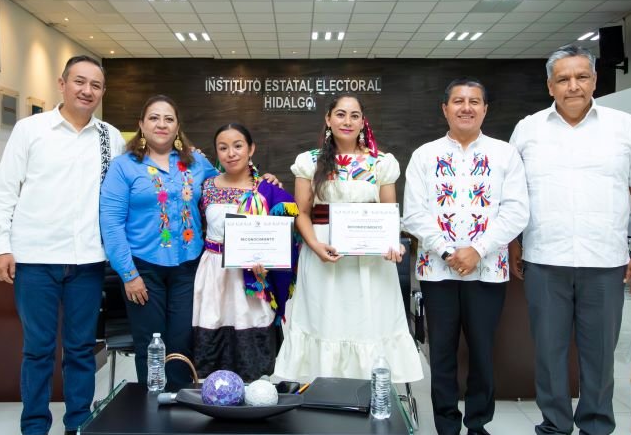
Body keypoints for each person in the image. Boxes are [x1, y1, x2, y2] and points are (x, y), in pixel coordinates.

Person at [509, 45, 631, 435]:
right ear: (550, 86)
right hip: (545, 260)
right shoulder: (528, 129)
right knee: (549, 354)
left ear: (595, 81)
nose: (573, 86)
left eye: (581, 77)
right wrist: (514, 244)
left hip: (604, 261)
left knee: (599, 356)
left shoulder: (623, 126)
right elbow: (512, 192)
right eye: (563, 79)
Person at [0, 55, 123, 435]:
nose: (87, 90)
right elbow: (4, 190)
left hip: (88, 260)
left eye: (96, 85)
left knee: (82, 348)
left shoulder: (110, 137)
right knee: (38, 349)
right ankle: (34, 432)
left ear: (102, 93)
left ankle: (78, 424)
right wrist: (1, 247)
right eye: (79, 81)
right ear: (62, 84)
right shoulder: (31, 130)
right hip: (36, 259)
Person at [403, 78, 528, 435]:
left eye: (475, 101)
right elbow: (413, 213)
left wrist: (478, 249)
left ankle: (477, 431)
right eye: (458, 101)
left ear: (485, 109)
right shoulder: (425, 155)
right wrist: (446, 250)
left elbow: (516, 211)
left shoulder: (505, 154)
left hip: (488, 270)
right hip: (437, 271)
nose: (466, 107)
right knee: (441, 353)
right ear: (445, 109)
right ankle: (446, 432)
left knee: (482, 353)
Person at [273, 94, 423, 384]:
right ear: (328, 119)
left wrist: (392, 245)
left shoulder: (381, 163)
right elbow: (301, 213)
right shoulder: (309, 161)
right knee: (325, 320)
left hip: (370, 261)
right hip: (322, 253)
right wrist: (315, 246)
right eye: (340, 114)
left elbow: (389, 213)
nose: (347, 121)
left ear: (363, 122)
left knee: (367, 322)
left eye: (355, 115)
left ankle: (369, 393)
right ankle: (323, 392)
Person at [100, 95, 219, 391]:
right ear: (141, 125)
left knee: (182, 341)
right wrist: (129, 275)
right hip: (143, 270)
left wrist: (261, 181)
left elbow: (226, 186)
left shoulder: (196, 163)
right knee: (150, 344)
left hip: (187, 268)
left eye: (168, 119)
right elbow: (111, 224)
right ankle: (152, 408)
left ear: (177, 126)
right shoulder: (123, 166)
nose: (161, 124)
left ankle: (179, 406)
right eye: (154, 118)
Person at [192, 123, 299, 381]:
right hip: (213, 273)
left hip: (251, 278)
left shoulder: (267, 189)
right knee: (211, 339)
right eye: (223, 148)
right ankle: (214, 394)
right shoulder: (205, 187)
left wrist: (269, 262)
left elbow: (285, 235)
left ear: (251, 149)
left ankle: (254, 395)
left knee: (251, 347)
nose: (231, 153)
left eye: (238, 146)